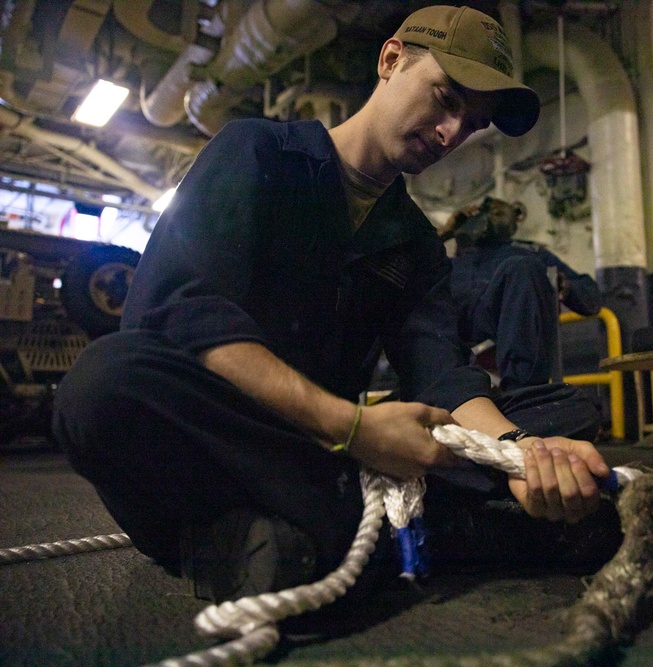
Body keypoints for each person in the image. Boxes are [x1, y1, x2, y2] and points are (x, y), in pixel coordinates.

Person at [51, 5, 617, 606]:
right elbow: (182, 314)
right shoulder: (258, 154)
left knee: (564, 414)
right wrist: (354, 428)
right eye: (447, 98)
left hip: (322, 461)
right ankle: (433, 531)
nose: (453, 133)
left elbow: (442, 374)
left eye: (472, 124)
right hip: (233, 436)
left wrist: (523, 454)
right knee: (101, 386)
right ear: (391, 60)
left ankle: (282, 544)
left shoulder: (414, 240)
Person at [441, 196, 602, 390]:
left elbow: (591, 298)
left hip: (502, 323)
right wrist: (444, 233)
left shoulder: (527, 253)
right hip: (448, 333)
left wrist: (564, 285)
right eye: (481, 213)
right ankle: (400, 385)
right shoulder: (448, 262)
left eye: (497, 213)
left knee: (521, 267)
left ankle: (522, 391)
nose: (486, 218)